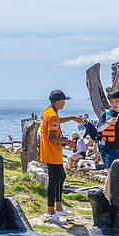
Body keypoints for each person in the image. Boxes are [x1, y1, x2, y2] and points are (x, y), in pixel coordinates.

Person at [40, 89, 85, 224]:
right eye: (64, 101)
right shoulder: (52, 115)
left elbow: (56, 121)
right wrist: (68, 142)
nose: (64, 103)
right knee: (54, 180)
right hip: (52, 153)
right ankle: (51, 212)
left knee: (60, 177)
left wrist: (71, 118)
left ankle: (58, 208)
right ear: (59, 101)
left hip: (48, 152)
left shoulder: (46, 112)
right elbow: (52, 136)